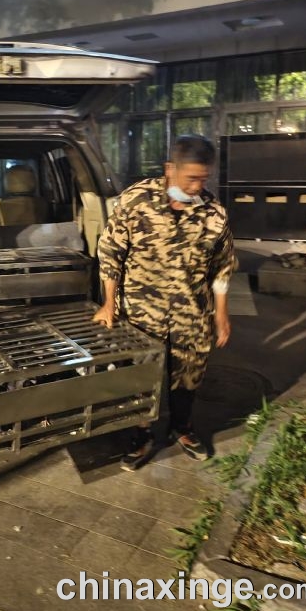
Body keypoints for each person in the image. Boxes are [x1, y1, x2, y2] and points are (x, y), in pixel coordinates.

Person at [93, 134, 235, 469]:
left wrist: (221, 314)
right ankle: (141, 436)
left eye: (203, 179)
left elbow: (223, 266)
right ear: (170, 168)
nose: (197, 187)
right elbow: (111, 252)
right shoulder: (135, 201)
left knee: (188, 375)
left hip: (192, 313)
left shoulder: (214, 213)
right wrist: (108, 302)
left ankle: (182, 428)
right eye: (191, 178)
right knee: (142, 375)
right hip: (141, 312)